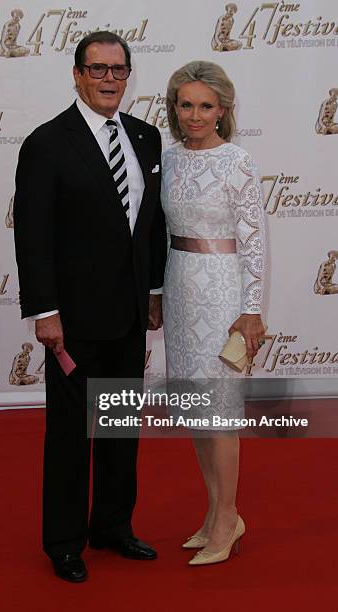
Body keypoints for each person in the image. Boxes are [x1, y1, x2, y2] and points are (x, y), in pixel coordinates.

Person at [13, 31, 166, 582]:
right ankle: (64, 541)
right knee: (73, 433)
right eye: (97, 69)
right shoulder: (47, 142)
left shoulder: (147, 139)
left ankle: (113, 526)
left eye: (117, 70)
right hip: (73, 320)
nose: (108, 79)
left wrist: (152, 292)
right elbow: (33, 237)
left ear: (128, 76)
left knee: (122, 426)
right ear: (77, 74)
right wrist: (45, 311)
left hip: (129, 314)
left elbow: (150, 229)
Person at [162, 61, 266, 565]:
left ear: (222, 110)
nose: (196, 114)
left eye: (206, 105)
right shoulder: (171, 158)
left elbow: (253, 242)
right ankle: (214, 513)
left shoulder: (237, 161)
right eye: (187, 104)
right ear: (174, 108)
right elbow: (164, 235)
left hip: (223, 292)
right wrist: (159, 294)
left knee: (220, 413)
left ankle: (228, 517)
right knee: (193, 410)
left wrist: (250, 311)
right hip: (181, 289)